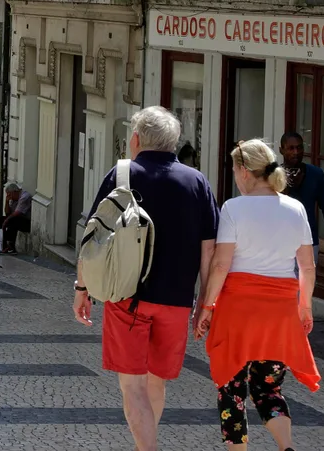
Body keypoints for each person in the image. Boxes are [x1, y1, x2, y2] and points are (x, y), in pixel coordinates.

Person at [73, 106, 218, 451]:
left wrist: (82, 288)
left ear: (135, 139)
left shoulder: (123, 174)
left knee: (132, 386)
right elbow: (208, 251)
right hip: (177, 301)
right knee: (156, 384)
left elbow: (93, 238)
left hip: (128, 296)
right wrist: (204, 304)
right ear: (172, 143)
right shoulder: (197, 182)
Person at [194, 139, 321, 450]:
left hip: (238, 309)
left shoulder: (234, 208)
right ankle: (286, 446)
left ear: (244, 171)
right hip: (280, 311)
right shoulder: (295, 209)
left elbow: (222, 264)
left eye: (235, 170)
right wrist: (304, 307)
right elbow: (307, 266)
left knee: (231, 388)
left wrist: (207, 306)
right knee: (268, 388)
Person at [279, 131, 324, 266]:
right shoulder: (273, 176)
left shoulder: (315, 174)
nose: (295, 152)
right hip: (280, 246)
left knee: (306, 287)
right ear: (281, 150)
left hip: (309, 243)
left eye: (299, 148)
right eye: (291, 148)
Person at [0, 182, 33, 254]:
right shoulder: (13, 199)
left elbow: (17, 213)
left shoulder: (24, 197)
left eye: (9, 195)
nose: (10, 197)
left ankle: (10, 246)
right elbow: (7, 213)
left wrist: (6, 221)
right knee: (0, 220)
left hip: (28, 222)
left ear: (15, 192)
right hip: (19, 219)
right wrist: (6, 201)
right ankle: (3, 244)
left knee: (12, 220)